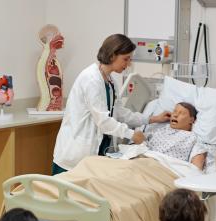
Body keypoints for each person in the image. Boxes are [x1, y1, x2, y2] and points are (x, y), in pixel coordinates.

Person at [52, 33, 171, 174]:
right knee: (66, 193)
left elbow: (120, 113)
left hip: (96, 153)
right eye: (125, 59)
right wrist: (132, 135)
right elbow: (103, 122)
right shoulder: (91, 80)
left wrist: (152, 119)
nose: (128, 64)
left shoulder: (110, 81)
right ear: (113, 55)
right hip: (74, 155)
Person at [144, 102, 207, 170]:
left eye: (181, 113)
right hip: (146, 161)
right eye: (174, 111)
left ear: (191, 120)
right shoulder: (161, 130)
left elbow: (196, 168)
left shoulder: (192, 137)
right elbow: (142, 141)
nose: (175, 115)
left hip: (167, 169)